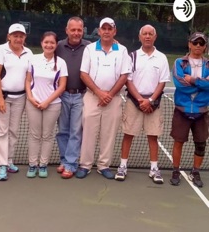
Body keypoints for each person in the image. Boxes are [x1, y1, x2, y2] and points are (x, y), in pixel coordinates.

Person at [75, 17, 132, 179]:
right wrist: (99, 93)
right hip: (92, 97)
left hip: (113, 100)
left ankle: (103, 165)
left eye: (110, 29)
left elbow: (124, 75)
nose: (106, 31)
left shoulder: (122, 50)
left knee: (109, 133)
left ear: (115, 31)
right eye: (104, 29)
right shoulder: (90, 49)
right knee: (88, 132)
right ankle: (85, 165)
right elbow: (83, 74)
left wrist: (109, 95)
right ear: (99, 31)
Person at [115, 24, 170, 183]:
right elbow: (128, 80)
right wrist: (140, 99)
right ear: (140, 37)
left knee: (153, 136)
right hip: (134, 102)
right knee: (128, 134)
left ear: (155, 37)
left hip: (154, 103)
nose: (147, 36)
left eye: (150, 34)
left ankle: (154, 168)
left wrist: (150, 100)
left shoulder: (162, 58)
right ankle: (123, 166)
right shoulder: (132, 56)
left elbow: (162, 82)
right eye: (144, 34)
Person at [25, 32, 68, 178]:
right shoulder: (33, 59)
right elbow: (28, 81)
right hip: (33, 104)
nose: (49, 45)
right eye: (46, 42)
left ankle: (43, 165)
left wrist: (47, 102)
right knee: (35, 135)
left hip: (53, 105)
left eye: (52, 43)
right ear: (41, 43)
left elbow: (62, 86)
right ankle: (32, 165)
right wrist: (31, 98)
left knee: (47, 135)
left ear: (56, 45)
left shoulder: (61, 62)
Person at [0, 23, 33, 181]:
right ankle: (2, 164)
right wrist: (0, 97)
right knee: (1, 131)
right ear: (9, 36)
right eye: (15, 35)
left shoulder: (29, 52)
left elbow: (28, 77)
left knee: (14, 131)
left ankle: (9, 161)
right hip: (4, 96)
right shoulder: (1, 49)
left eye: (21, 36)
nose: (18, 38)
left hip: (21, 98)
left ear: (24, 37)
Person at [170, 32, 209, 188]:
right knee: (178, 141)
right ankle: (175, 170)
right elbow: (180, 85)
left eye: (201, 43)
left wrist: (192, 80)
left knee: (201, 144)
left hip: (201, 111)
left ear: (205, 46)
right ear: (189, 44)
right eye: (195, 42)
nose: (198, 45)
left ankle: (195, 171)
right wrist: (203, 84)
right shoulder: (180, 63)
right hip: (182, 109)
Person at [55, 16, 90, 179]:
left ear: (83, 30)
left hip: (81, 96)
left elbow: (109, 46)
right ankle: (64, 160)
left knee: (76, 131)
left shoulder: (90, 47)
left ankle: (70, 163)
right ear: (67, 30)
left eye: (79, 30)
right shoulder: (58, 46)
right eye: (73, 29)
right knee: (63, 131)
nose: (76, 33)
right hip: (61, 95)